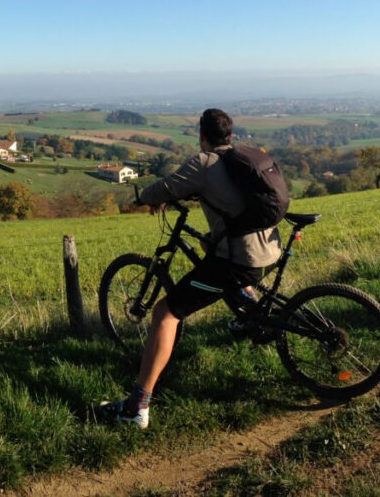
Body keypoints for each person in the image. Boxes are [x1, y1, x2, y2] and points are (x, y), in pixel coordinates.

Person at [97, 108, 282, 429]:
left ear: (202, 136)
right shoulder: (241, 159)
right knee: (209, 243)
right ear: (231, 135)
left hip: (239, 261)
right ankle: (250, 313)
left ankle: (136, 408)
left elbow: (168, 186)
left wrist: (144, 198)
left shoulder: (205, 163)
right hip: (267, 249)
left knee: (164, 314)